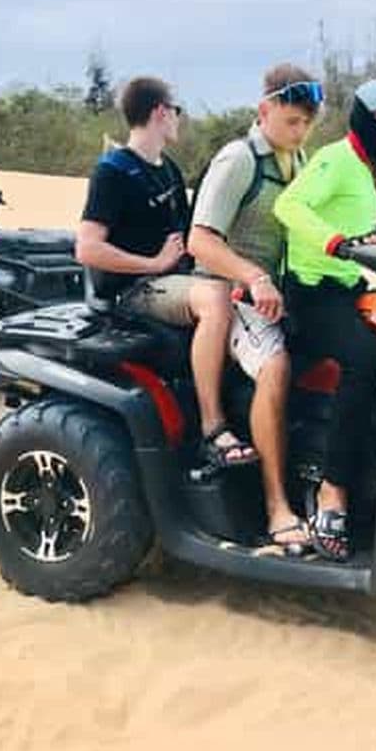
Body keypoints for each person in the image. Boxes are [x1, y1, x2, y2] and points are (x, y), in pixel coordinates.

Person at [274, 78, 376, 561]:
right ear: (365, 118)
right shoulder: (336, 159)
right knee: (367, 358)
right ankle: (332, 492)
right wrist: (334, 243)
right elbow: (289, 206)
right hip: (312, 292)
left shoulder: (369, 169)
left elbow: (356, 227)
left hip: (347, 286)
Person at [76, 76, 255, 471]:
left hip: (174, 281)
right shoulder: (113, 171)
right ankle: (213, 429)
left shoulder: (168, 170)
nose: (179, 119)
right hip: (134, 288)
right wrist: (153, 263)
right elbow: (87, 247)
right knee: (214, 298)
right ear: (160, 111)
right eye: (177, 111)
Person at [188, 64, 323, 555]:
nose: (300, 131)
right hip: (226, 287)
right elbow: (199, 242)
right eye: (291, 121)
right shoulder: (238, 160)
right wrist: (253, 275)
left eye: (306, 124)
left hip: (275, 291)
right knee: (275, 364)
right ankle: (276, 508)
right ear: (264, 111)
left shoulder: (301, 161)